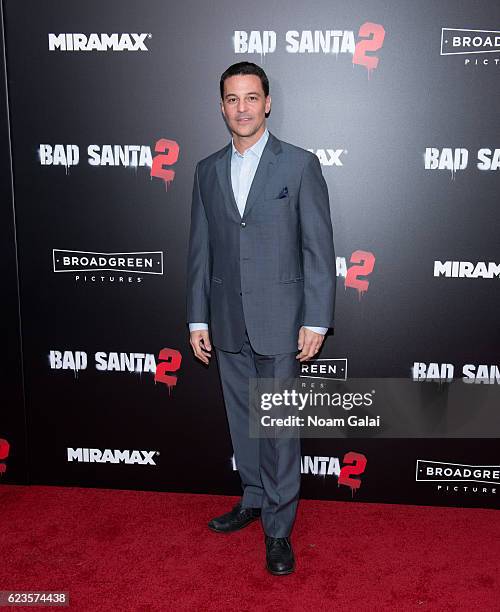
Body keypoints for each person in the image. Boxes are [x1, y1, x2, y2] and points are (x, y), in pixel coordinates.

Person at [186, 61, 336, 575]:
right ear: (222, 106)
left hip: (282, 320)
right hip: (226, 321)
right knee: (243, 424)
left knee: (278, 428)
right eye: (232, 99)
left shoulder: (298, 165)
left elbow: (318, 247)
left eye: (252, 97)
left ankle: (278, 528)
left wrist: (316, 320)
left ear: (267, 103)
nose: (242, 107)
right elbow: (200, 251)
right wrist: (196, 318)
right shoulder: (206, 170)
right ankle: (252, 499)